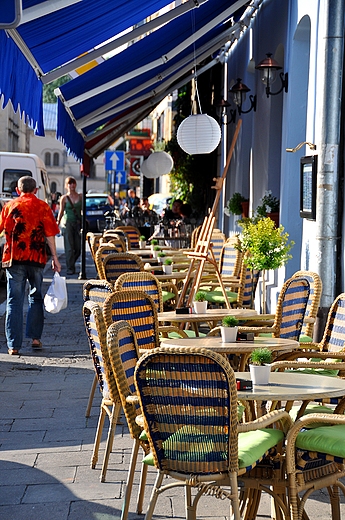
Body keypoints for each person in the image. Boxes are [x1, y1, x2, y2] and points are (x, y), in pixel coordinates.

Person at [0, 176, 61, 355]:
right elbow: (50, 235)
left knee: (14, 301)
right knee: (35, 298)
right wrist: (55, 258)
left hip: (15, 259)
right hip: (36, 258)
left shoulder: (10, 206)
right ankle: (35, 339)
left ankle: (13, 346)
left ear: (18, 190)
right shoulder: (43, 207)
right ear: (35, 190)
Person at [56, 176, 82, 275]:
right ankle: (70, 268)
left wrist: (84, 220)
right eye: (69, 184)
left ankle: (71, 263)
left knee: (78, 249)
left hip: (78, 224)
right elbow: (61, 211)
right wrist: (57, 223)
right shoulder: (64, 198)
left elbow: (83, 210)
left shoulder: (80, 196)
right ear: (66, 186)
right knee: (69, 248)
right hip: (68, 224)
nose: (72, 185)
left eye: (73, 183)